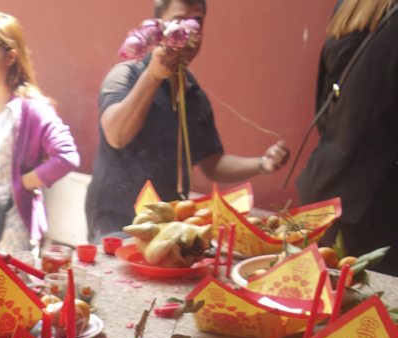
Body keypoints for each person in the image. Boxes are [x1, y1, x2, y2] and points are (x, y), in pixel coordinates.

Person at [85, 0, 291, 239]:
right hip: (116, 222)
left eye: (198, 22)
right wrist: (153, 75)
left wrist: (263, 164)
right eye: (179, 20)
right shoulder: (127, 74)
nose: (190, 31)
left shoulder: (191, 93)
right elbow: (116, 135)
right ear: (158, 25)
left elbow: (212, 164)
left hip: (167, 224)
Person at [0, 11, 79, 254]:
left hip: (12, 227)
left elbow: (67, 156)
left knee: (7, 292)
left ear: (10, 56)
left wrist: (23, 184)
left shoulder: (33, 109)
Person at [297, 0, 398, 276]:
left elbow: (326, 103)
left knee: (317, 307)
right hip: (377, 208)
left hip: (322, 186)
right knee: (367, 313)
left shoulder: (352, 6)